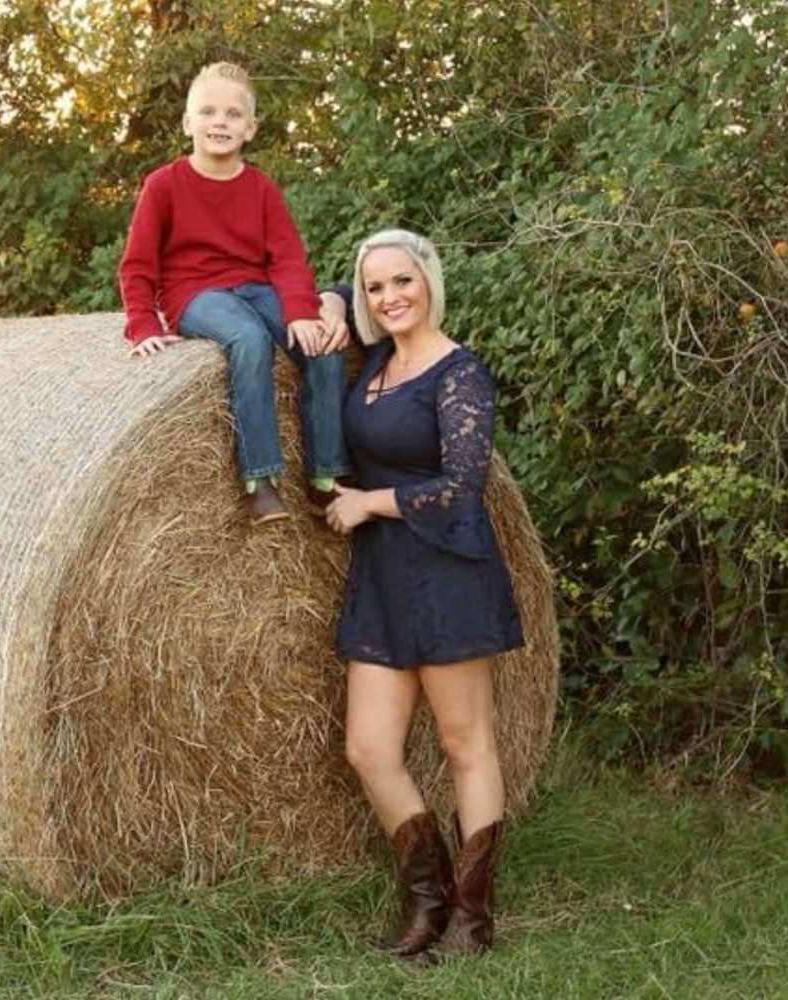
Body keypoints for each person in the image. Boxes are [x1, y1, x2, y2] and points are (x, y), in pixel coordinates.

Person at [320, 230, 524, 958]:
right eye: (375, 287)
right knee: (368, 748)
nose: (389, 297)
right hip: (382, 576)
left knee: (465, 743)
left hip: (447, 571)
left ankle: (472, 915)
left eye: (402, 281)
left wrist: (367, 503)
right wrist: (332, 299)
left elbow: (461, 487)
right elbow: (330, 299)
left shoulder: (459, 373)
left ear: (430, 281)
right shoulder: (377, 360)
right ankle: (427, 899)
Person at [118, 62, 350, 524]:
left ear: (251, 127)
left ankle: (326, 476)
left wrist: (301, 312)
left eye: (232, 114)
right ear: (188, 122)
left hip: (257, 287)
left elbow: (288, 259)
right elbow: (137, 265)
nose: (219, 122)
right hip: (194, 294)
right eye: (207, 112)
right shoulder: (163, 185)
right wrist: (143, 325)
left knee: (323, 344)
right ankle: (259, 480)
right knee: (249, 338)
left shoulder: (261, 189)